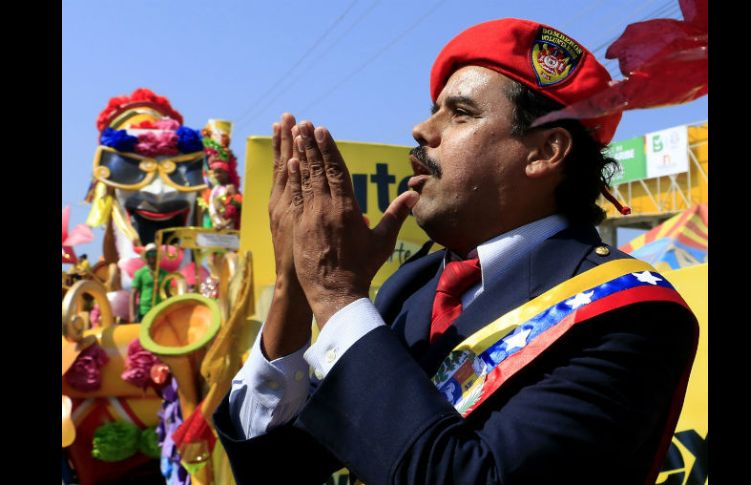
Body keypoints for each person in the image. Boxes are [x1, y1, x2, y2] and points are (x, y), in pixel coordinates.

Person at [213, 18, 698, 484]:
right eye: (434, 108)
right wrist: (294, 289)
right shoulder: (415, 287)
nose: (423, 130)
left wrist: (337, 294)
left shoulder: (629, 312)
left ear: (545, 152)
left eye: (461, 113)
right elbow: (274, 469)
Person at [129, 243, 168, 323]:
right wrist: (132, 315)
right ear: (146, 256)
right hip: (144, 312)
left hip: (160, 312)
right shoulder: (140, 273)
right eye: (150, 253)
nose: (153, 256)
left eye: (155, 253)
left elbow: (168, 294)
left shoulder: (165, 274)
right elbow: (133, 294)